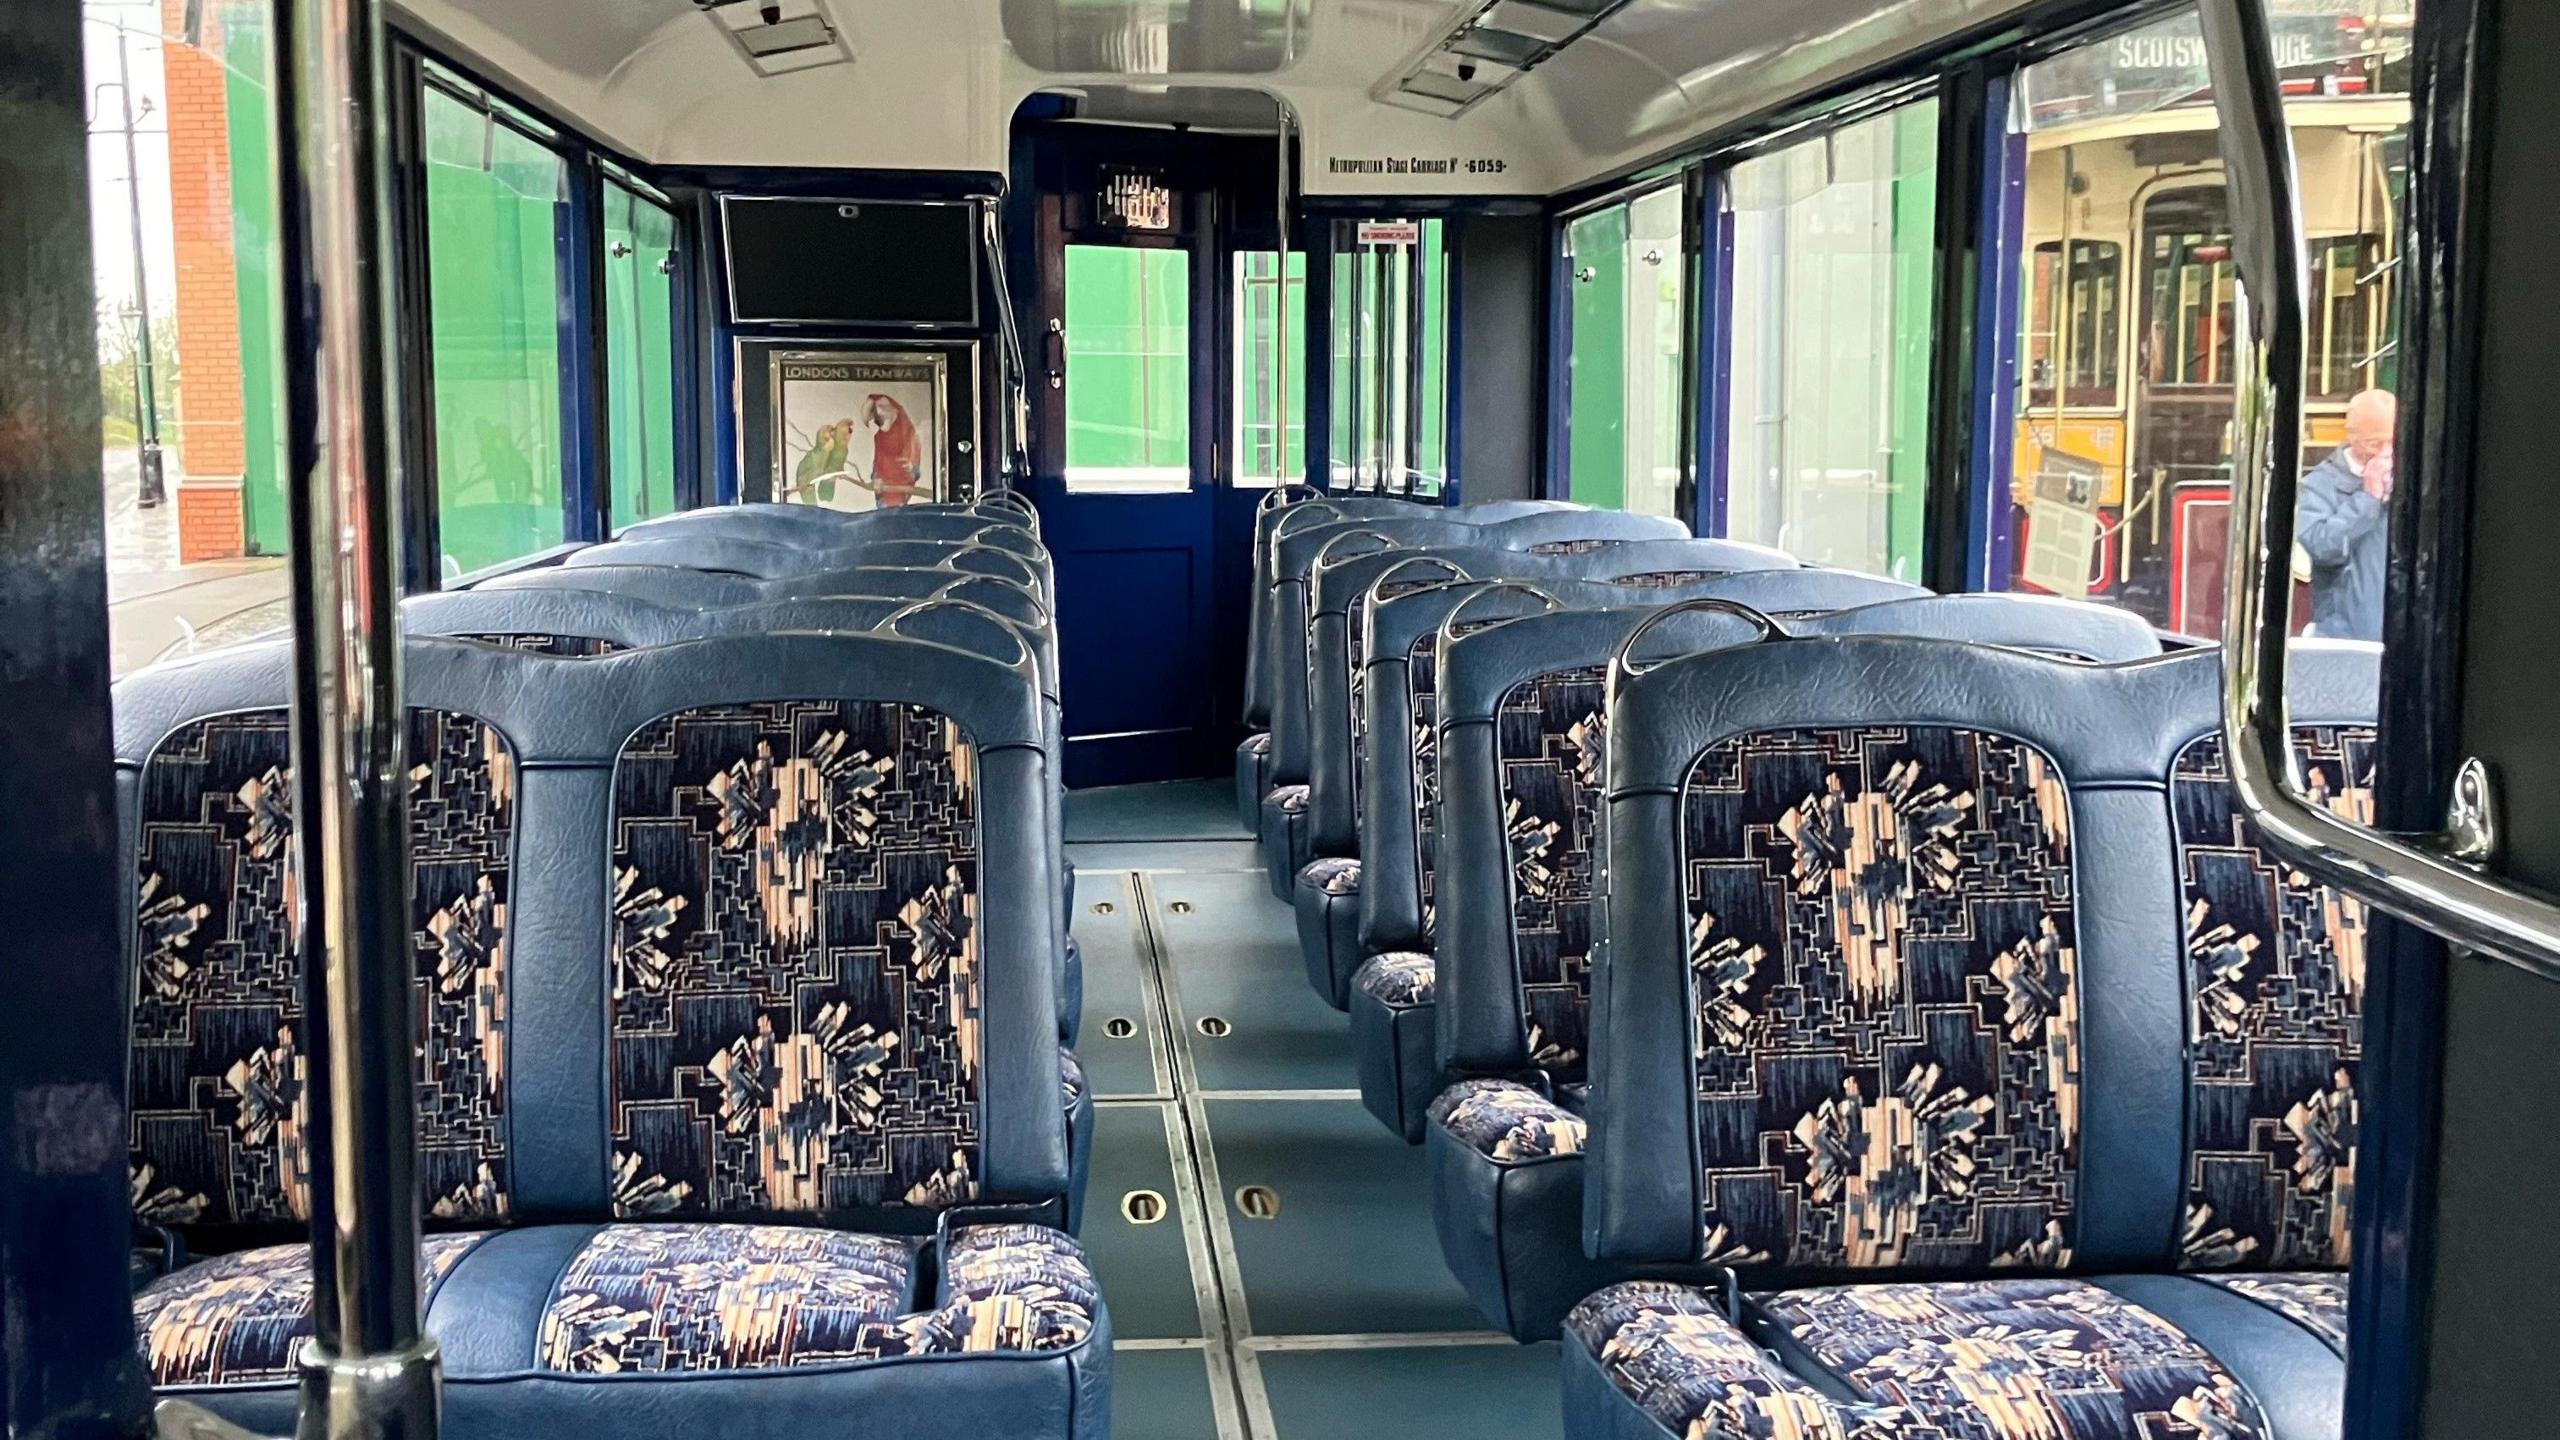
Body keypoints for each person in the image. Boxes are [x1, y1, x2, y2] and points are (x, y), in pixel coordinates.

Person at [2295, 387, 2396, 641]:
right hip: (2345, 637)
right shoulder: (2320, 485)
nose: (2385, 452)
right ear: (2352, 436)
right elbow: (2322, 546)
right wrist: (2367, 499)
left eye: (2393, 442)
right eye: (2375, 443)